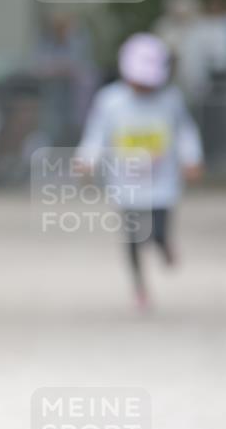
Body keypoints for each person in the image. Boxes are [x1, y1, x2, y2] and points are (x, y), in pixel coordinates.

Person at [74, 33, 204, 311]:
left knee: (157, 231)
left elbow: (185, 132)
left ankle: (164, 244)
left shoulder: (170, 100)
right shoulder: (110, 101)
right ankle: (140, 288)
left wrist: (191, 159)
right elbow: (97, 133)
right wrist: (87, 159)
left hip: (162, 180)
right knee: (133, 236)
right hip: (126, 181)